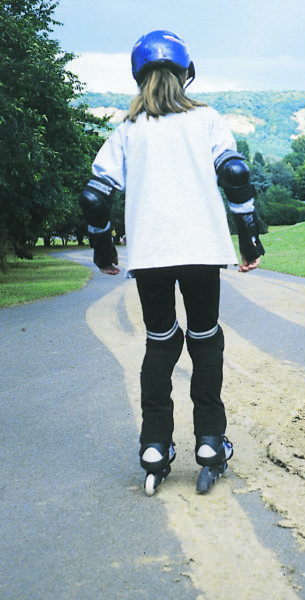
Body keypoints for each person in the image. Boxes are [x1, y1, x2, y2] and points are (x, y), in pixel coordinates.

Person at [79, 29, 265, 495]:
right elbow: (236, 175)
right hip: (202, 250)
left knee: (161, 342)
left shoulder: (127, 129)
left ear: (138, 76)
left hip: (151, 255)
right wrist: (249, 240)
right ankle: (208, 442)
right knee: (205, 338)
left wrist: (104, 250)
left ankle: (155, 448)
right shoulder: (206, 120)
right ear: (186, 74)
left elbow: (94, 196)